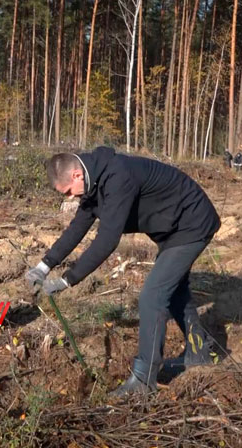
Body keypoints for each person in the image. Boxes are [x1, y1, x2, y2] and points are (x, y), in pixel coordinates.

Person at [24, 146, 221, 397]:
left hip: (192, 224)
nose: (71, 198)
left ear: (76, 175)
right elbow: (77, 228)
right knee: (175, 290)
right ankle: (200, 353)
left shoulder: (118, 177)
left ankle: (143, 380)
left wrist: (67, 280)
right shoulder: (93, 184)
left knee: (152, 297)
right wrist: (43, 267)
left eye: (69, 192)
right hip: (173, 230)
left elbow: (107, 240)